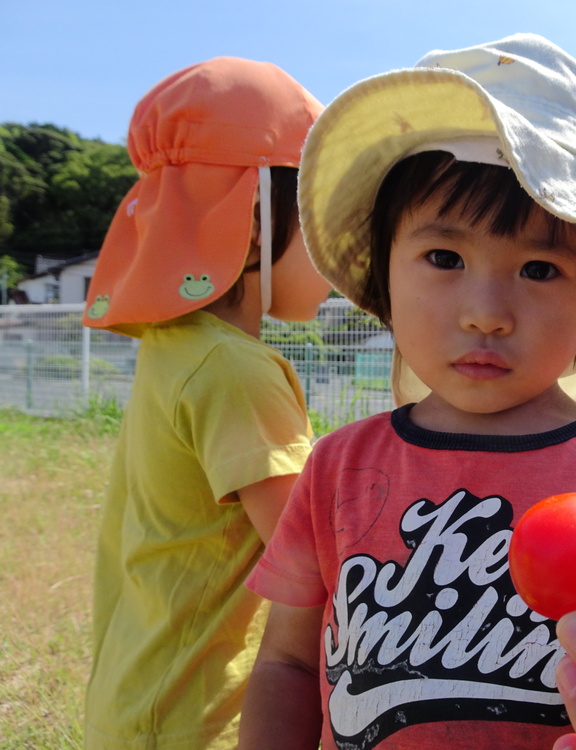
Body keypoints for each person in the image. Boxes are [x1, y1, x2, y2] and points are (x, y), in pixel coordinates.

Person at [239, 34, 576, 750]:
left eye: (541, 268)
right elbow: (290, 659)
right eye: (444, 257)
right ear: (382, 275)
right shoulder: (335, 468)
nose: (486, 310)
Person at [81, 58, 331, 749]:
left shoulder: (178, 345)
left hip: (140, 700)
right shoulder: (235, 370)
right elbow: (323, 557)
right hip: (200, 722)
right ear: (255, 221)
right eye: (321, 216)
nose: (339, 248)